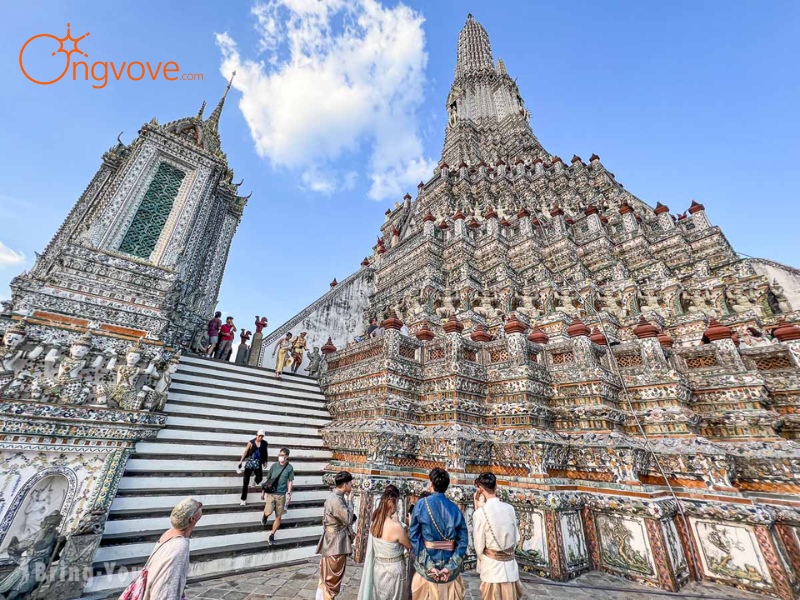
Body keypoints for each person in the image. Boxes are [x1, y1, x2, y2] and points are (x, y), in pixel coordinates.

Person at [409, 468, 469, 600]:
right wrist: (450, 566)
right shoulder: (455, 509)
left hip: (426, 572)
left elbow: (414, 536)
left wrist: (429, 565)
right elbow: (463, 541)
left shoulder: (421, 505)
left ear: (431, 484)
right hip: (449, 574)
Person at [472, 473, 523, 600]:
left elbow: (479, 546)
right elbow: (516, 537)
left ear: (481, 490)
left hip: (492, 566)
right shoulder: (509, 508)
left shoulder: (480, 513)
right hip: (510, 564)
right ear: (496, 486)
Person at [357, 485, 411, 600]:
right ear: (391, 504)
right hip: (394, 570)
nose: (397, 507)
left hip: (378, 567)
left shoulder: (375, 521)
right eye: (396, 503)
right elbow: (409, 545)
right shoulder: (396, 526)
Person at [141, 497, 202, 600]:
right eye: (199, 505)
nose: (201, 505)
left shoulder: (170, 533)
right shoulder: (179, 545)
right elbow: (168, 586)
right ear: (192, 519)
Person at [316, 471, 357, 600]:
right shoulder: (336, 501)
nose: (351, 485)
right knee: (332, 579)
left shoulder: (334, 496)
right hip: (335, 543)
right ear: (345, 485)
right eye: (350, 483)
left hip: (332, 540)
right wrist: (350, 501)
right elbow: (349, 519)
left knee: (328, 578)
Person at [260, 447, 295, 545]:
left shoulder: (289, 468)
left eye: (282, 455)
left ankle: (272, 534)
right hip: (271, 493)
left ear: (286, 457)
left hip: (281, 495)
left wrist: (289, 493)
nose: (280, 457)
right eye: (279, 455)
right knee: (268, 512)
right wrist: (263, 492)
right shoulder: (274, 466)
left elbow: (290, 481)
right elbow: (268, 480)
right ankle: (265, 516)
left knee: (278, 517)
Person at [237, 430, 268, 506]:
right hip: (250, 462)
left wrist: (265, 462)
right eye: (259, 436)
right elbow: (245, 452)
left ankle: (254, 480)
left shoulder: (264, 443)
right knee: (245, 482)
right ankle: (243, 499)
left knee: (259, 478)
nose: (260, 437)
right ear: (256, 435)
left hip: (258, 462)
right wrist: (241, 461)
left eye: (262, 436)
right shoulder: (251, 442)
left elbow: (265, 452)